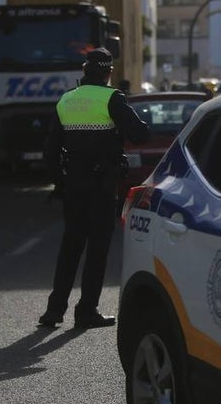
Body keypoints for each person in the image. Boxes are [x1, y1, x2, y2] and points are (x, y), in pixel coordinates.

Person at [38, 47, 150, 330]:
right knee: (97, 249)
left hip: (73, 184)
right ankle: (86, 311)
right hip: (102, 185)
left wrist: (61, 181)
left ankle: (54, 309)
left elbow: (50, 151)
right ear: (109, 72)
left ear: (84, 71)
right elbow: (140, 135)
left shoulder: (66, 99)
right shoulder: (112, 98)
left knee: (70, 246)